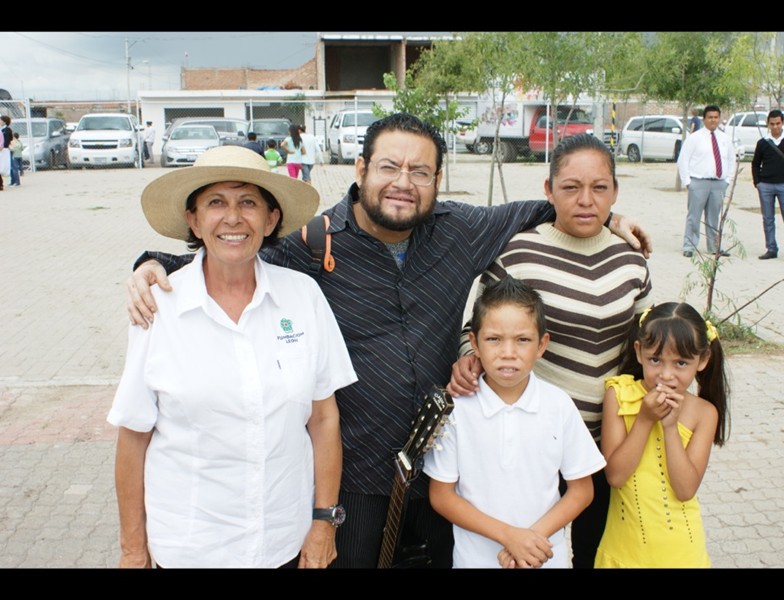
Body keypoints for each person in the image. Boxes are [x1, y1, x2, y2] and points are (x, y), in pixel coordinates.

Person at [126, 113, 651, 568]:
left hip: (450, 469)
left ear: (438, 180)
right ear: (361, 170)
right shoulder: (313, 242)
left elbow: (548, 207)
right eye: (389, 167)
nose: (404, 182)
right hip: (356, 473)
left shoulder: (461, 229)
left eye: (420, 172)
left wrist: (613, 218)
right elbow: (234, 248)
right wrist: (154, 265)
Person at [108, 145, 357, 568]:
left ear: (271, 217)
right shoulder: (158, 309)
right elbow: (134, 436)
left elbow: (323, 418)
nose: (233, 218)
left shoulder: (303, 297)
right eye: (216, 203)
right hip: (190, 548)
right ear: (193, 219)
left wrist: (323, 523)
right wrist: (133, 550)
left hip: (283, 543)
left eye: (248, 202)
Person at [449, 134, 652, 568]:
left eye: (599, 188)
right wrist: (469, 358)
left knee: (597, 549)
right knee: (533, 546)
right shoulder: (518, 253)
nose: (586, 200)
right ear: (548, 190)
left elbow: (645, 347)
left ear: (615, 193)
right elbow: (478, 328)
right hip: (533, 440)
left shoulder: (631, 261)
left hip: (609, 441)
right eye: (570, 187)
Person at [425, 276, 605, 569]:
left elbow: (582, 490)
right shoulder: (456, 410)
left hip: (545, 559)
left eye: (522, 340)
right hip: (475, 561)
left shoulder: (558, 405)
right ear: (474, 343)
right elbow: (442, 496)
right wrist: (510, 537)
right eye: (494, 339)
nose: (508, 352)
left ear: (542, 344)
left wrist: (529, 539)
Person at [595, 302, 730, 568]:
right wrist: (645, 420)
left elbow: (685, 489)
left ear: (702, 361)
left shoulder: (704, 413)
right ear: (639, 352)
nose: (666, 375)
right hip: (623, 551)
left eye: (681, 363)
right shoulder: (619, 394)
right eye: (655, 360)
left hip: (681, 553)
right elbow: (615, 476)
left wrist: (670, 428)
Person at [677, 104, 736, 258]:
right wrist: (688, 182)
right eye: (710, 117)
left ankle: (713, 246)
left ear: (719, 118)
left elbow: (731, 160)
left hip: (718, 184)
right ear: (704, 119)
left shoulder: (724, 139)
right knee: (694, 216)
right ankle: (689, 246)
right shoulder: (695, 138)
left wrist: (727, 180)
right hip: (698, 182)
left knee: (713, 217)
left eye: (716, 117)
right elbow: (683, 159)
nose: (713, 120)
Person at [751, 109, 784, 263]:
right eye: (772, 124)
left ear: (783, 123)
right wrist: (758, 183)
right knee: (768, 218)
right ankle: (771, 248)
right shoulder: (763, 143)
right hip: (766, 186)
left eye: (778, 123)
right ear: (768, 124)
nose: (775, 127)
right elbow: (755, 163)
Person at [0, 115, 12, 191]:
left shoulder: (7, 130)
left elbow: (7, 140)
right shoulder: (1, 129)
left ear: (4, 121)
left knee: (4, 167)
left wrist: (2, 146)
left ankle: (14, 181)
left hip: (3, 150)